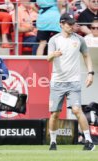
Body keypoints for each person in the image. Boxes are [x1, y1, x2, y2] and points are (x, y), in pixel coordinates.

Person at [47, 13, 95, 151]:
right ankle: (53, 142)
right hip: (57, 82)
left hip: (74, 82)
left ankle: (88, 141)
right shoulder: (54, 40)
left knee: (77, 110)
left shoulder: (79, 39)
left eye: (72, 23)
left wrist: (90, 73)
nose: (71, 26)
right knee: (55, 114)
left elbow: (86, 56)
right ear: (61, 24)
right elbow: (47, 59)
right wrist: (53, 55)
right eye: (68, 24)